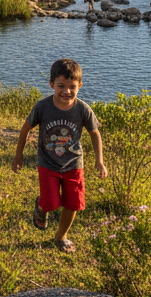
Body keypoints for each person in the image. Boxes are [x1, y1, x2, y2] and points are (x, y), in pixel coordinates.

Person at [10, 58, 108, 254]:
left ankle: (61, 236)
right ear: (51, 84)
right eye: (61, 86)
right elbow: (26, 128)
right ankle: (41, 204)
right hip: (47, 164)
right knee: (51, 203)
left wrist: (100, 161)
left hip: (74, 164)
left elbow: (95, 133)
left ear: (80, 86)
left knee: (73, 203)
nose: (67, 91)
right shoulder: (43, 106)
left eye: (72, 87)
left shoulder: (83, 109)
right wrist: (18, 155)